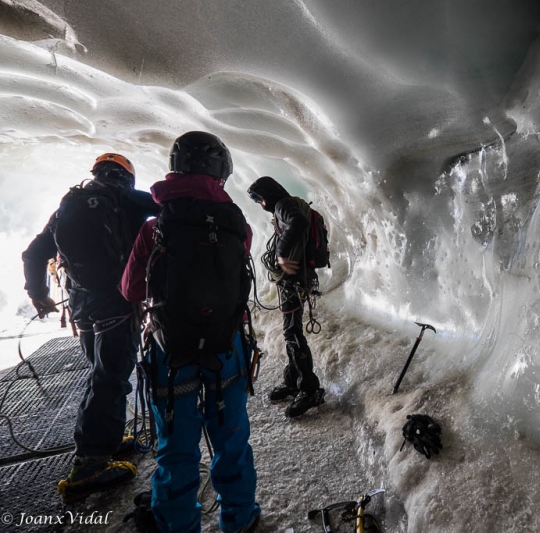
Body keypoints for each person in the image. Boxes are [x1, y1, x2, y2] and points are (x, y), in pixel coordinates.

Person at [120, 131, 260, 533]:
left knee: (177, 447)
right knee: (230, 435)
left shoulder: (155, 226)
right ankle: (239, 518)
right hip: (226, 343)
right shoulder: (238, 224)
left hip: (171, 347)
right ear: (221, 171)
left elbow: (130, 289)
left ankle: (177, 523)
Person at [21, 153, 159, 503]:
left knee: (102, 375)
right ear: (127, 177)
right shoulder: (130, 199)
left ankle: (107, 440)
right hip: (117, 306)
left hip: (81, 309)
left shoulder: (70, 203)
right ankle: (91, 464)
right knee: (109, 378)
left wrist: (38, 293)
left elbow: (34, 254)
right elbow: (172, 214)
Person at [247, 176, 326, 418]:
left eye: (260, 199)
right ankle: (293, 380)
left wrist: (281, 254)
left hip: (295, 279)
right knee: (290, 330)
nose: (261, 204)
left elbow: (299, 223)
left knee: (292, 332)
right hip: (301, 277)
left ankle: (309, 388)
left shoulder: (283, 205)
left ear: (268, 195)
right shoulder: (288, 204)